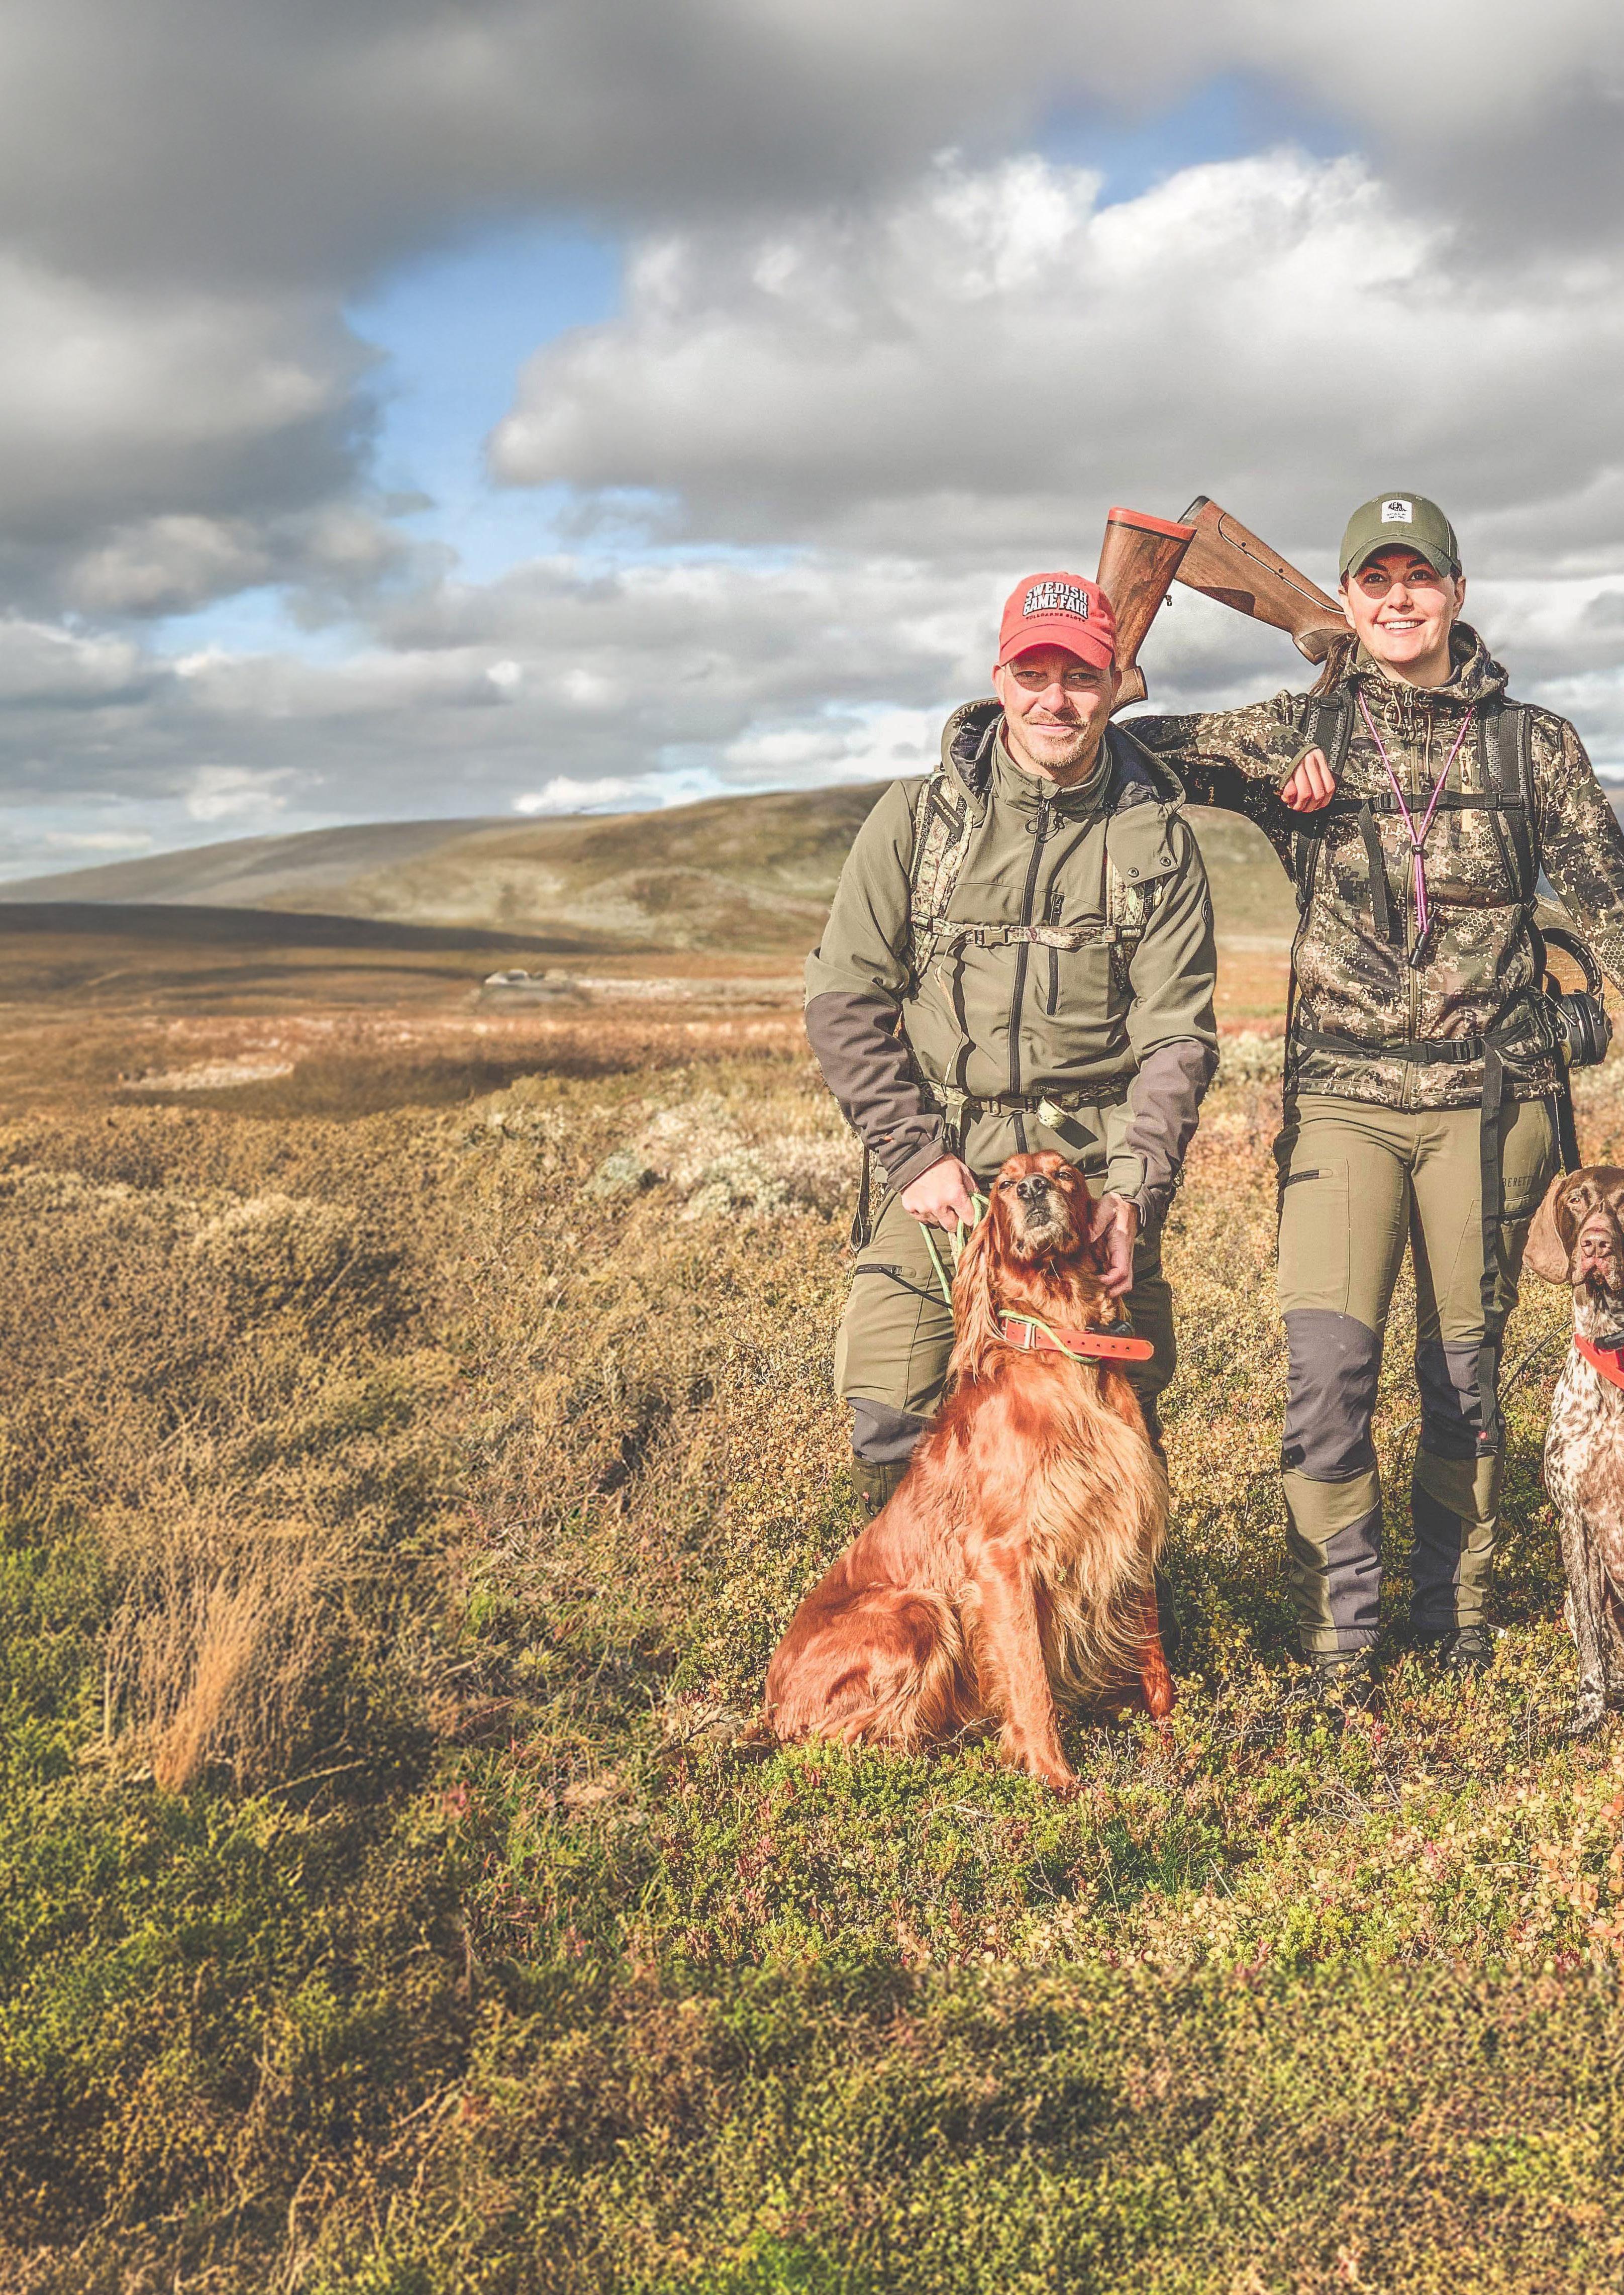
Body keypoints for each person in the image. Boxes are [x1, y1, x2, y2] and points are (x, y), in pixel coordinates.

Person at [1133, 492, 1624, 1699]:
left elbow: (1609, 908)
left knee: (1463, 1377)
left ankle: (1453, 1617)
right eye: (1373, 581)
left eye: (1418, 577)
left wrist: (1588, 1009)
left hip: (1488, 1109)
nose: (1397, 598)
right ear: (1346, 601)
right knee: (1326, 1371)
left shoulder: (1532, 746)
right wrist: (1153, 685)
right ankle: (1338, 1636)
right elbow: (1114, 747)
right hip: (1342, 1103)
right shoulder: (1294, 729)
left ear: (1455, 591)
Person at [804, 570, 1220, 1570]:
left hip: (1088, 1173)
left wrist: (1133, 1194)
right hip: (945, 1172)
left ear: (1113, 684)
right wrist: (915, 1158)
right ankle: (938, 1621)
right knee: (891, 1413)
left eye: (1078, 677)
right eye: (1032, 675)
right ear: (999, 679)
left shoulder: (1156, 840)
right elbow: (843, 1000)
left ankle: (1105, 1628)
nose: (1054, 700)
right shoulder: (917, 823)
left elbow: (1177, 1040)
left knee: (1111, 1412)